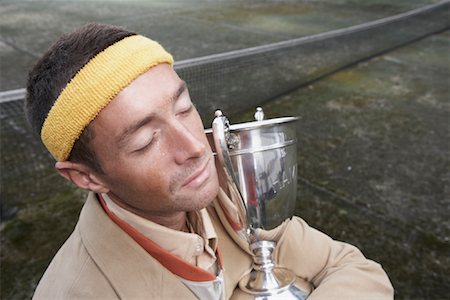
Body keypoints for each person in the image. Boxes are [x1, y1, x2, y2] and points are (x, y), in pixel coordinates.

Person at [25, 23, 393, 299]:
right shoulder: (77, 292)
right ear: (86, 177)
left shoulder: (230, 187)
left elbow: (354, 267)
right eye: (145, 140)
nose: (196, 148)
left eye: (184, 109)